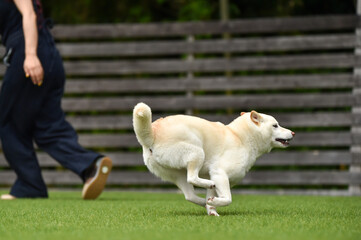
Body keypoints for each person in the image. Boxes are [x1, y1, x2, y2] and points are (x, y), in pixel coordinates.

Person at [0, 0, 112, 200]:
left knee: (7, 122)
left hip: (29, 54)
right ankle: (90, 165)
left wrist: (31, 55)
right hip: (48, 55)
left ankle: (29, 185)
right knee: (47, 126)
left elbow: (29, 14)